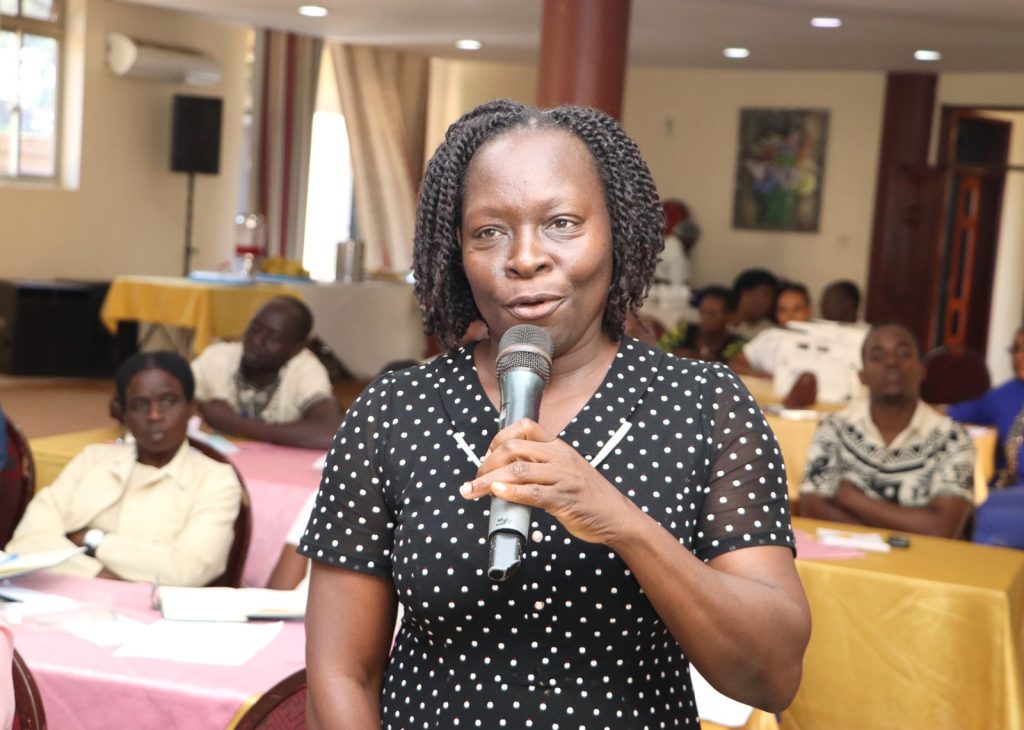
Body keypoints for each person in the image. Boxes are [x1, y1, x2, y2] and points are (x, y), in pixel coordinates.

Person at [301, 100, 810, 729]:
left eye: (562, 223)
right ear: (455, 249)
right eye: (488, 231)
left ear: (617, 230)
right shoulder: (393, 410)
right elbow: (341, 673)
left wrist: (622, 522)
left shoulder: (705, 405)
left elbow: (773, 673)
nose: (524, 257)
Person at [6, 352, 242, 585]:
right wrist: (99, 576)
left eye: (169, 401)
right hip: (68, 603)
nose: (154, 415)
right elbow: (27, 542)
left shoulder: (215, 479)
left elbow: (188, 569)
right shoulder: (93, 460)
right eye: (139, 405)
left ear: (191, 408)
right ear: (124, 414)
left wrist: (93, 539)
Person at [799, 323, 975, 538]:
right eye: (878, 356)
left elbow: (942, 528)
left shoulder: (953, 439)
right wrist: (899, 531)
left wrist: (853, 500)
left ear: (922, 369)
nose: (891, 362)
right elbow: (811, 510)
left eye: (903, 353)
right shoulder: (834, 428)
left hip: (921, 567)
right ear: (862, 376)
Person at [190, 296, 342, 450]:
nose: (256, 340)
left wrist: (234, 424)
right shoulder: (218, 358)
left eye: (273, 337)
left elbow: (329, 434)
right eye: (254, 328)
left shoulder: (304, 369)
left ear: (296, 348)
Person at [947, 324, 1024, 486]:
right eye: (1016, 349)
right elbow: (955, 413)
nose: (1019, 356)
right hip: (1007, 493)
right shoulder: (1004, 395)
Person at [729, 282, 813, 376]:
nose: (790, 316)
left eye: (797, 309)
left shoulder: (822, 340)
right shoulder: (769, 337)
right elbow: (735, 364)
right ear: (777, 314)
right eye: (783, 310)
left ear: (808, 310)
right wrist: (761, 376)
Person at [658, 285, 747, 363]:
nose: (705, 317)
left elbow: (734, 367)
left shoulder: (738, 344)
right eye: (703, 312)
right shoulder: (683, 330)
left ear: (729, 316)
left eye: (712, 314)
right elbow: (658, 353)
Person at [729, 268, 778, 339]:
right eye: (764, 294)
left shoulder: (769, 330)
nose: (769, 301)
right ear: (745, 293)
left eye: (772, 296)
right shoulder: (721, 322)